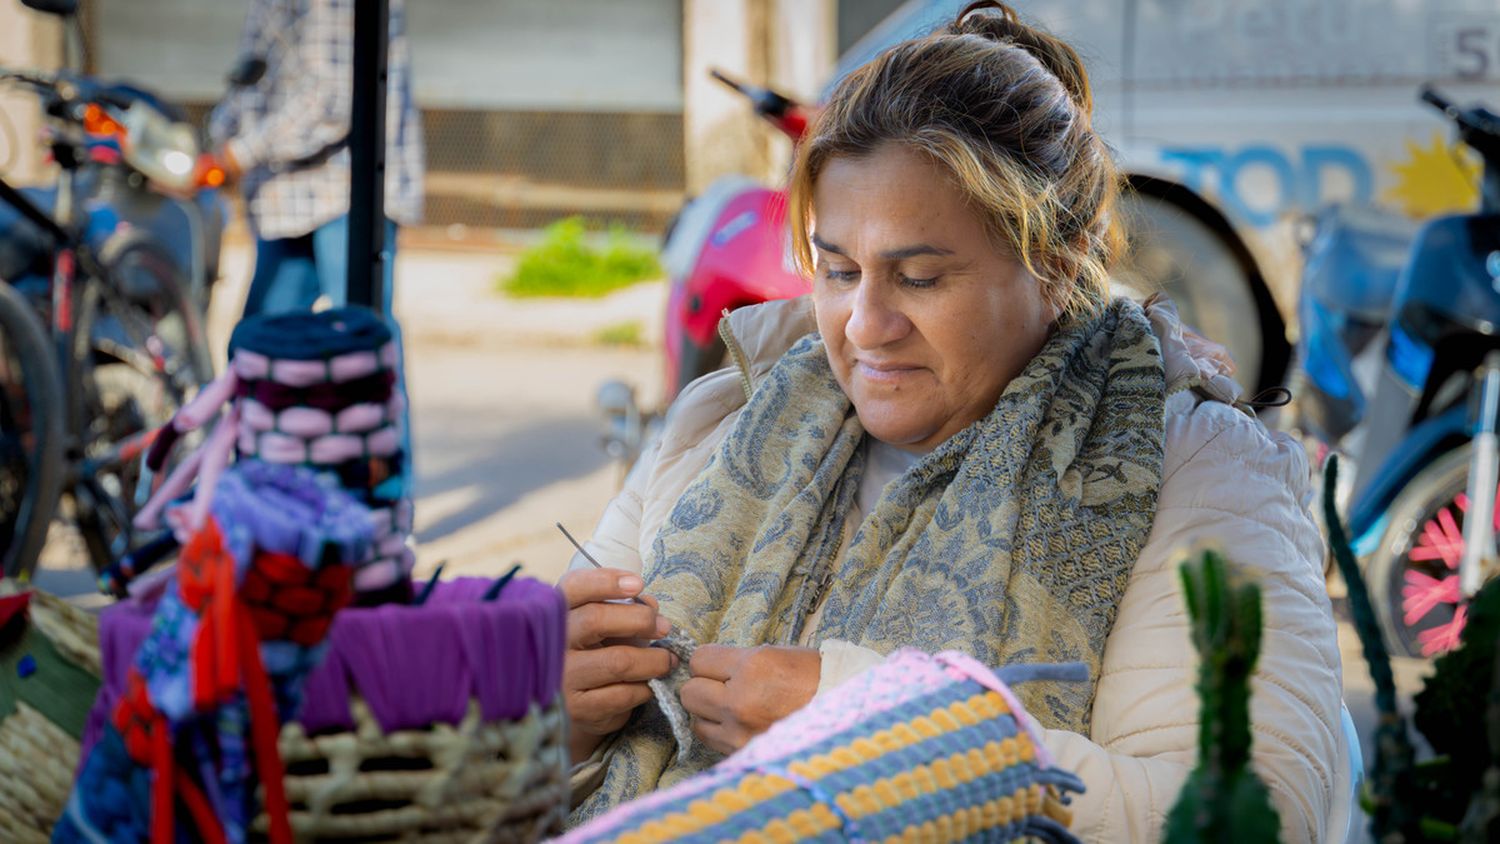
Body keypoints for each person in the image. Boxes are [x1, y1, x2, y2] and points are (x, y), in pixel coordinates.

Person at [558, 3, 1350, 841]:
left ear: (1055, 261)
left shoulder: (1197, 471)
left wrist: (865, 730)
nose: (865, 324)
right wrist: (553, 712)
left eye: (922, 278)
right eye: (838, 270)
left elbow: (1252, 818)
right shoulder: (726, 419)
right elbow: (524, 772)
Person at [208, 0, 423, 318]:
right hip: (287, 193)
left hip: (343, 190)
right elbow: (254, 69)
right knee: (258, 347)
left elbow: (329, 100)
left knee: (360, 339)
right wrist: (218, 140)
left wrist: (237, 155)